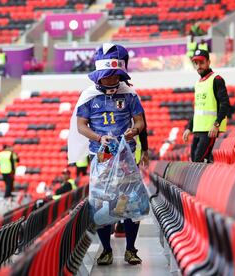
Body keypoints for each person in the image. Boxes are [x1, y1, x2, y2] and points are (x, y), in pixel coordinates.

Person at [71, 43, 145, 266]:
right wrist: (98, 138)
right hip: (101, 159)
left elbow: (140, 121)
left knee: (130, 203)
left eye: (114, 77)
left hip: (126, 158)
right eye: (107, 77)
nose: (111, 81)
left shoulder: (130, 95)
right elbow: (81, 125)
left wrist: (135, 130)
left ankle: (131, 249)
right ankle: (106, 250)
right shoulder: (88, 97)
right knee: (102, 205)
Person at [182, 49, 230, 163]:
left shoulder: (217, 79)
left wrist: (216, 124)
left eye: (201, 62)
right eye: (196, 63)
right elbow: (199, 109)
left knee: (199, 161)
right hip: (198, 129)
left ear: (208, 62)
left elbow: (225, 104)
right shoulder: (198, 83)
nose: (199, 66)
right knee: (195, 160)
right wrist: (189, 127)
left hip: (210, 130)